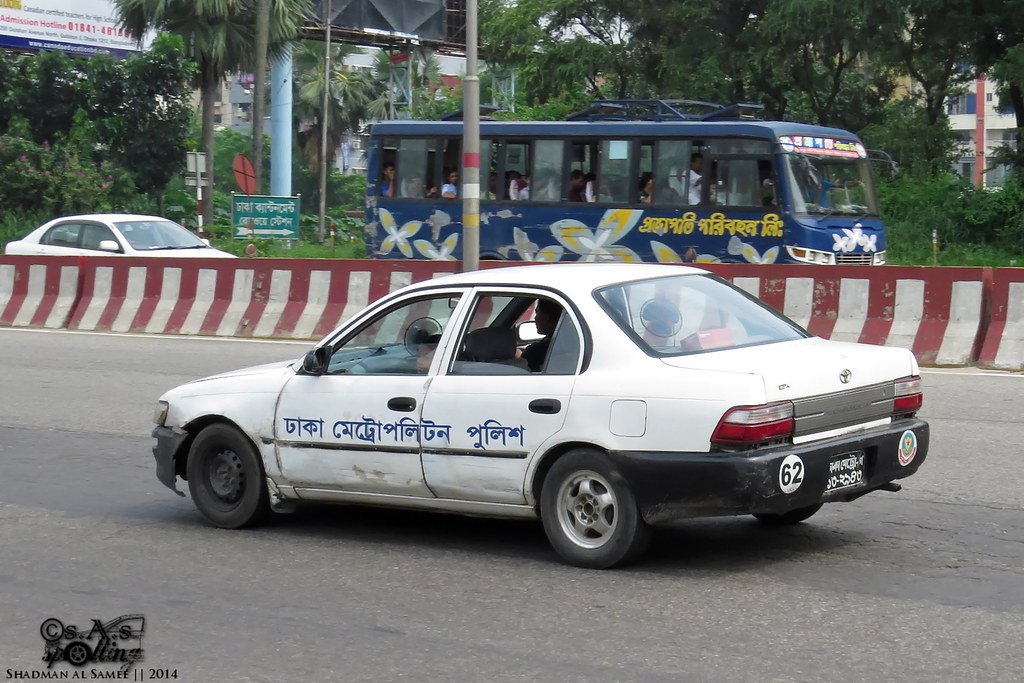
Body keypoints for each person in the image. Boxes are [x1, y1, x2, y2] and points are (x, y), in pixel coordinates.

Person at [519, 298, 562, 372]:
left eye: (537, 313)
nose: (535, 318)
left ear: (546, 317)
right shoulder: (569, 344)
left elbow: (524, 361)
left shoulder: (539, 351)